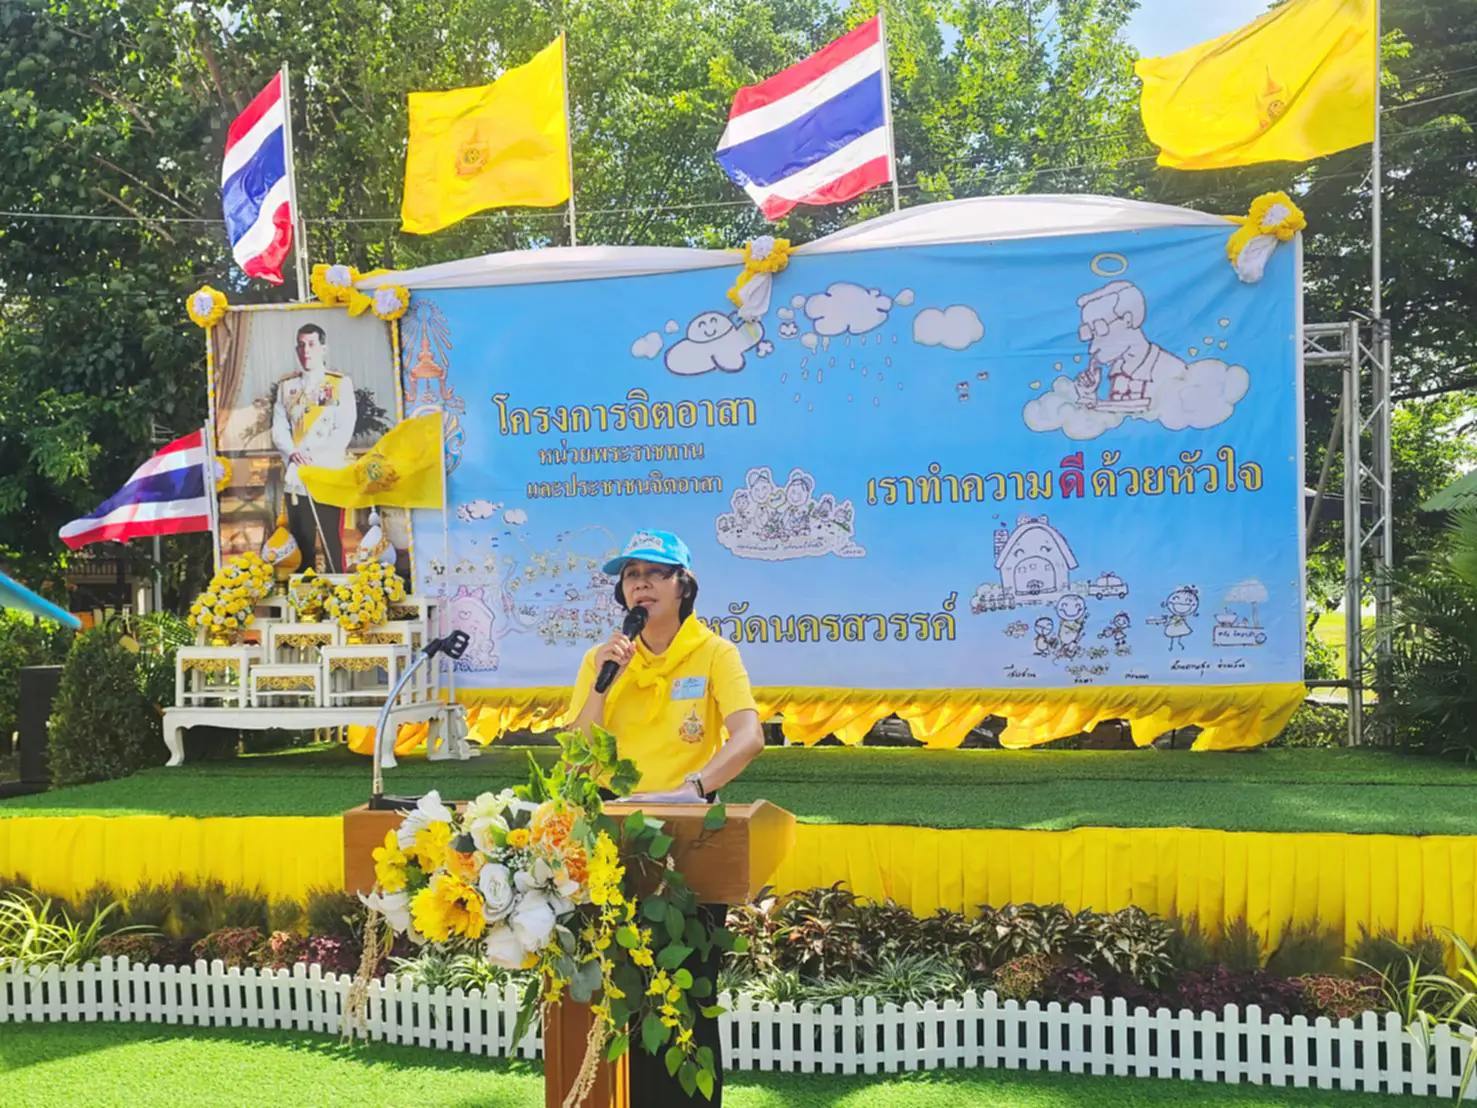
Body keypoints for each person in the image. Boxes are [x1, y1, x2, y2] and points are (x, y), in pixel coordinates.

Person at [567, 528, 765, 1106]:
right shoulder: (601, 660)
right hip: (614, 843)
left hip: (690, 841)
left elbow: (748, 737)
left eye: (655, 573)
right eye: (631, 576)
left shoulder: (714, 653)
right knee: (621, 993)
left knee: (688, 996)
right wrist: (603, 684)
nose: (641, 584)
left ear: (684, 586)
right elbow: (577, 755)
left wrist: (695, 787)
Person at [270, 322, 357, 572]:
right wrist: (293, 453)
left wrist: (315, 458)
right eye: (300, 345)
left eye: (311, 344)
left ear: (323, 348)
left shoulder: (340, 384)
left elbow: (344, 428)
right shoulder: (287, 387)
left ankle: (338, 590)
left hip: (326, 473)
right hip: (297, 476)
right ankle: (305, 592)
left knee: (332, 540)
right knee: (301, 540)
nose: (305, 350)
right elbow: (279, 428)